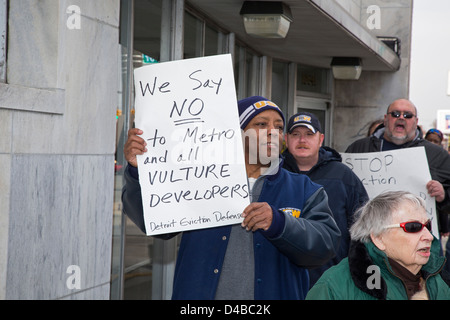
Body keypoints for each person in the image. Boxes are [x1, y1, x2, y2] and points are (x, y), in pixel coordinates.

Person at [122, 96, 341, 300]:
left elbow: (326, 245)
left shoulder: (304, 188)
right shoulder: (200, 180)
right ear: (236, 133)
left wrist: (280, 224)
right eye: (262, 124)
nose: (272, 132)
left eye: (279, 127)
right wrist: (137, 171)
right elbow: (155, 223)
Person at [306, 191, 450, 300]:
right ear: (378, 237)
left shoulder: (441, 278)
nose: (429, 237)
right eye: (413, 227)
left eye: (427, 226)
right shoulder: (334, 287)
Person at [282, 112, 368, 286]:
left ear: (320, 139)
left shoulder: (343, 176)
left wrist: (358, 274)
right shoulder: (273, 174)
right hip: (283, 279)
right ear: (286, 139)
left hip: (330, 280)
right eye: (295, 134)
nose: (302, 140)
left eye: (309, 134)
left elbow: (363, 229)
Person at [345, 99, 450, 231]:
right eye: (395, 114)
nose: (401, 118)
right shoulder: (359, 148)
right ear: (386, 119)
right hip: (369, 236)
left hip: (417, 236)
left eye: (407, 115)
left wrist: (443, 196)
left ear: (416, 121)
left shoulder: (437, 155)